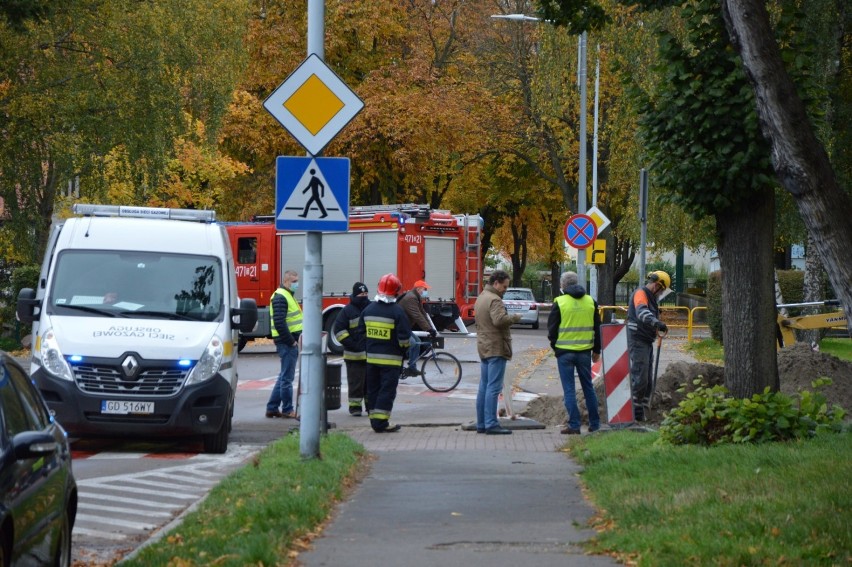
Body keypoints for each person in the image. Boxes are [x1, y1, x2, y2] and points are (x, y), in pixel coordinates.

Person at [548, 271, 602, 434]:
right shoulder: (591, 302)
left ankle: (574, 425)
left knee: (569, 389)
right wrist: (597, 350)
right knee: (588, 387)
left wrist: (556, 347)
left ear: (563, 286)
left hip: (564, 353)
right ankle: (595, 424)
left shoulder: (559, 302)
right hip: (585, 353)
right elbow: (597, 328)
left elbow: (552, 330)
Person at [361, 274, 411, 433]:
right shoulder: (397, 312)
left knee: (373, 390)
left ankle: (374, 420)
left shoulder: (368, 310)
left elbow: (361, 333)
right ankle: (381, 423)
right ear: (396, 291)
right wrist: (404, 352)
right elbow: (404, 338)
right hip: (391, 361)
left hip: (371, 360)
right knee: (386, 391)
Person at [474, 270, 522, 435]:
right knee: (493, 388)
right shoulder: (495, 300)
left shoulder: (481, 297)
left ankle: (481, 423)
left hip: (484, 346)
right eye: (504, 286)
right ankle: (491, 424)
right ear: (496, 283)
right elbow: (499, 321)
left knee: (484, 386)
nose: (505, 290)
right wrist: (514, 317)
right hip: (496, 347)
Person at [627, 270, 671, 421]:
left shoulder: (651, 297)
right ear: (657, 285)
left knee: (648, 378)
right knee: (641, 377)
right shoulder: (641, 294)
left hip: (646, 341)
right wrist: (656, 322)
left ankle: (644, 410)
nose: (661, 293)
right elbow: (641, 313)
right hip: (637, 340)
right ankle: (635, 413)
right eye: (662, 290)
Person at [266, 270, 302, 419]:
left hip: (288, 342)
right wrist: (292, 341)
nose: (296, 284)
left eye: (297, 281)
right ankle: (287, 409)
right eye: (294, 281)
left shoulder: (286, 295)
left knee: (283, 376)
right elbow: (280, 323)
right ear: (286, 281)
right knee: (287, 378)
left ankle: (272, 408)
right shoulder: (281, 296)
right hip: (287, 343)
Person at [332, 282, 371, 416]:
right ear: (355, 295)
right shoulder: (347, 311)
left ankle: (370, 407)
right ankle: (355, 408)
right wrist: (353, 344)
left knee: (370, 384)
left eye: (366, 294)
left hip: (370, 355)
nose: (364, 297)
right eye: (361, 294)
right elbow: (339, 331)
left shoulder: (371, 308)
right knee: (355, 383)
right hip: (353, 356)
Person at [398, 279, 436, 378]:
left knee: (417, 342)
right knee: (413, 343)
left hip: (405, 327)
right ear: (419, 289)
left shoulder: (416, 297)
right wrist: (428, 329)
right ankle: (399, 368)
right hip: (399, 328)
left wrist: (431, 328)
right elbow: (417, 316)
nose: (426, 291)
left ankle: (412, 368)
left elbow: (423, 313)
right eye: (425, 289)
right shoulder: (411, 298)